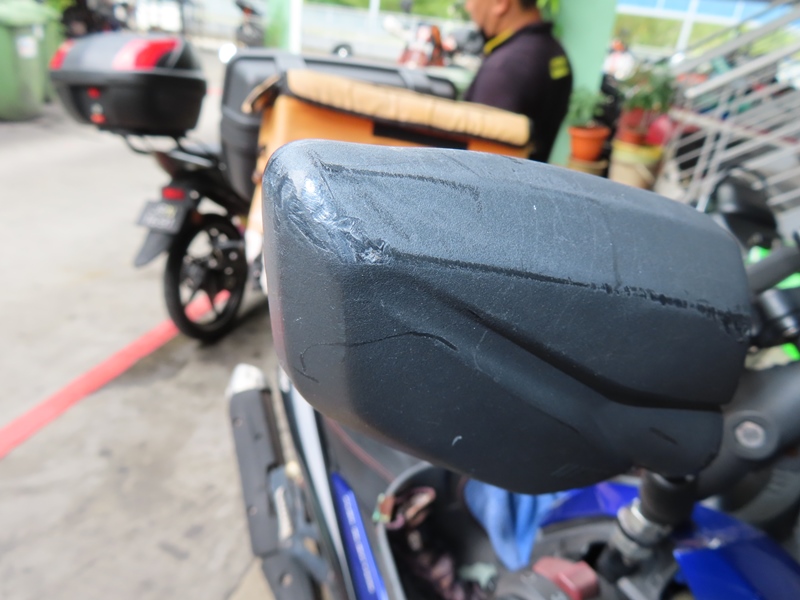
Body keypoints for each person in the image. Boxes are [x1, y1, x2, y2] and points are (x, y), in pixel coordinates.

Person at [463, 0, 572, 163]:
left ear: (500, 3)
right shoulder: (553, 51)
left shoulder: (505, 67)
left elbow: (481, 166)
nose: (468, 6)